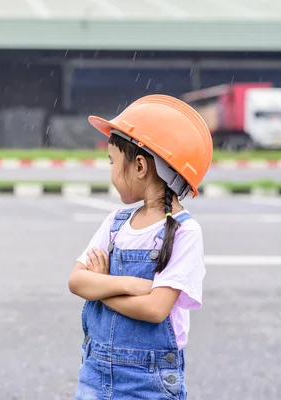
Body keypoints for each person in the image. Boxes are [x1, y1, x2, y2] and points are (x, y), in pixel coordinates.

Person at [68, 94, 213, 400]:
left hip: (149, 383)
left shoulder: (186, 233)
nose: (109, 172)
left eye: (112, 161)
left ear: (140, 167)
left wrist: (102, 288)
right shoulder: (115, 222)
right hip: (94, 374)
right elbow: (77, 281)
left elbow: (155, 309)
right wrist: (133, 284)